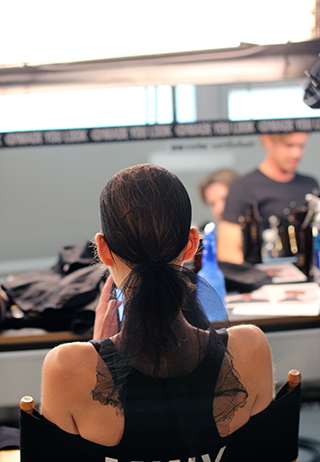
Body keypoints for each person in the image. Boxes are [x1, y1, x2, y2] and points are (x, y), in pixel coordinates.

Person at [40, 164, 273, 459]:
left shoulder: (66, 367)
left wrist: (95, 352)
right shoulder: (251, 349)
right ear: (191, 244)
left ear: (102, 249)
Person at [217, 132, 319, 264]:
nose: (297, 153)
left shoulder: (310, 185)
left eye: (301, 146)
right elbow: (227, 252)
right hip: (263, 279)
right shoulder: (244, 188)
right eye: (289, 145)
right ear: (267, 141)